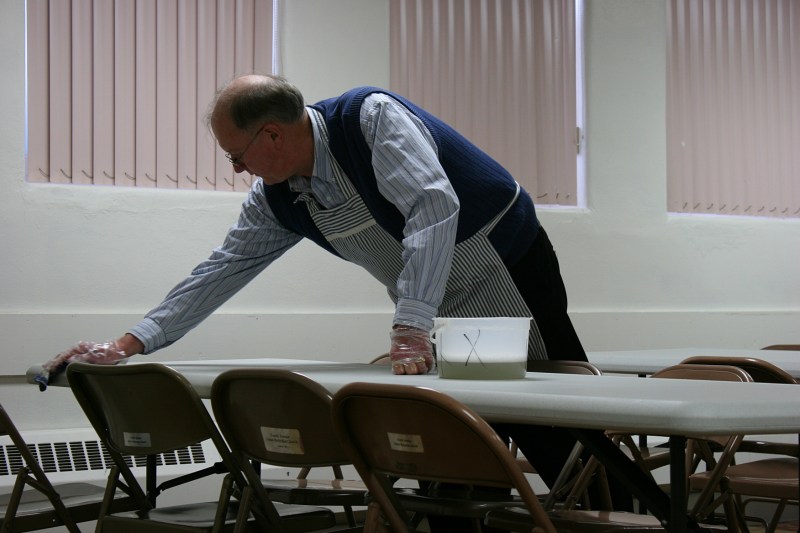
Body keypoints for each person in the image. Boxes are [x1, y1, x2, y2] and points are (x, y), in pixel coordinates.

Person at [38, 74, 628, 514]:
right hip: (434, 305)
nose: (238, 170)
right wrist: (129, 342)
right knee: (450, 439)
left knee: (553, 429)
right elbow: (222, 269)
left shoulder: (368, 119)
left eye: (236, 156)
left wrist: (410, 325)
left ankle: (631, 516)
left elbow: (432, 205)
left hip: (505, 268)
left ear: (271, 134)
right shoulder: (277, 197)